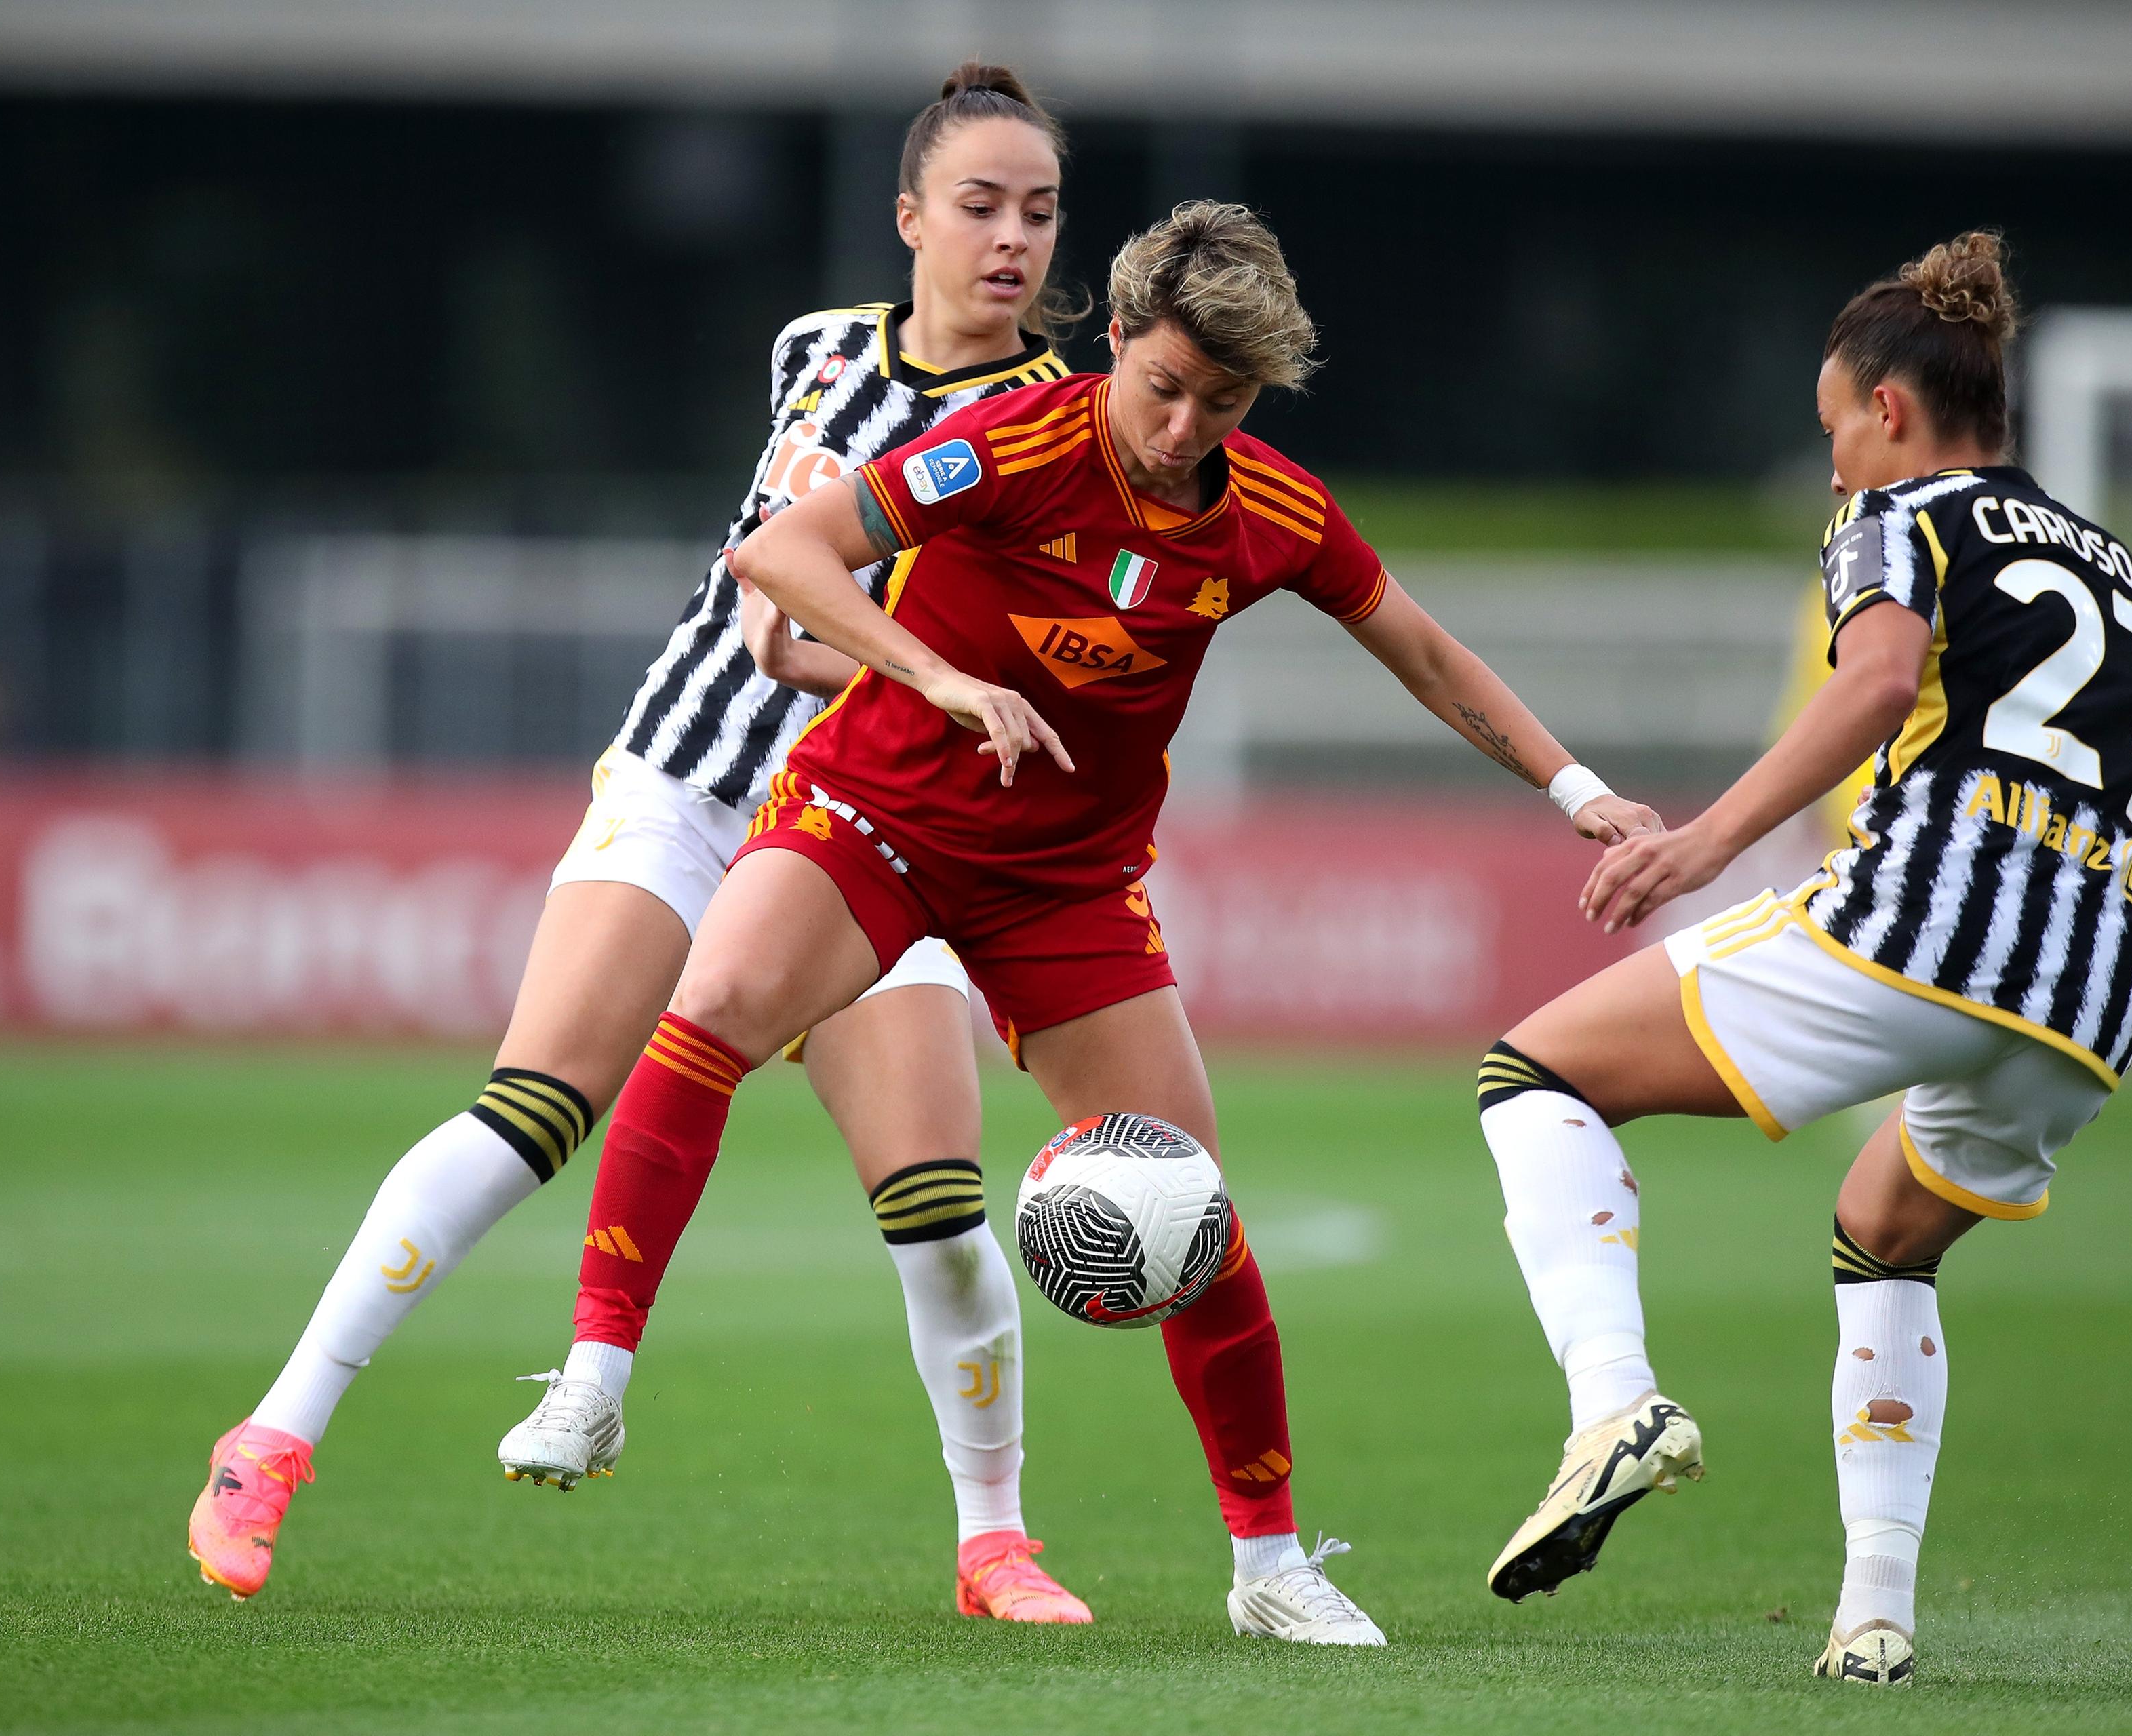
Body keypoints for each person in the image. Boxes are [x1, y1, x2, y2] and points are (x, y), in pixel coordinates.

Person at [507, 199, 1660, 1646]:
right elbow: (786, 556)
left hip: (1065, 880)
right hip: (878, 816)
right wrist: (938, 679)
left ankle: (1270, 1563)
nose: (1183, 425)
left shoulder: (1274, 512)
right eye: (1163, 384)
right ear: (1113, 340)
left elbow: (1421, 649)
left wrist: (1577, 790)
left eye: (1222, 401)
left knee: (1194, 1208)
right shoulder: (1010, 443)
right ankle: (595, 1378)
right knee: (719, 999)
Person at [189, 62, 1095, 1623]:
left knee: (937, 1199)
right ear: (910, 219)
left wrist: (853, 647)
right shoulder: (813, 348)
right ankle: (270, 1437)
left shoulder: (1055, 428)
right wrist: (833, 632)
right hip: (689, 775)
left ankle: (993, 1538)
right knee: (530, 1104)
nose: (1012, 238)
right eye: (981, 205)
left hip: (882, 824)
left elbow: (839, 626)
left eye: (1040, 211)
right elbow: (766, 608)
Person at [1468, 232, 2132, 1684]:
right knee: (1882, 1233)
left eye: (1830, 432)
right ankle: (1875, 1613)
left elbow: (1873, 676)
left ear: (1887, 408)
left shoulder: (1900, 515)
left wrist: (1706, 844)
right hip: (2105, 984)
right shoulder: (2112, 565)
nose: (1829, 470)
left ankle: (1613, 1404)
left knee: (1532, 1072)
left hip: (1925, 920)